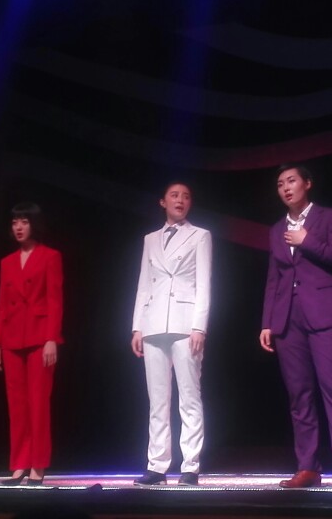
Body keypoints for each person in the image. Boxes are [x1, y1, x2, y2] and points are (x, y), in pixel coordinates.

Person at [259, 164, 332, 489]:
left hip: (325, 314)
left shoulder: (330, 218)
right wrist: (267, 321)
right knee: (299, 396)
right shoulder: (276, 229)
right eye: (280, 184)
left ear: (307, 183)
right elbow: (274, 277)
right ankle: (308, 468)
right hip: (288, 319)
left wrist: (307, 240)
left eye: (291, 181)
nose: (286, 188)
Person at [131, 182, 212, 486]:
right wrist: (137, 326)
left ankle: (190, 465)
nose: (181, 200)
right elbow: (144, 283)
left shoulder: (200, 235)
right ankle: (157, 466)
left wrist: (199, 326)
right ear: (162, 201)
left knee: (189, 397)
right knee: (158, 400)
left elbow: (204, 284)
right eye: (175, 195)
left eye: (186, 196)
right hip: (153, 323)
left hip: (185, 323)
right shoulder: (150, 239)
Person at [0, 202, 64, 486]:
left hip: (39, 337)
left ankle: (38, 465)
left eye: (24, 221)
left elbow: (55, 300)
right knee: (17, 405)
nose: (18, 227)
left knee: (38, 403)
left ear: (34, 224)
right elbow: (1, 304)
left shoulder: (50, 256)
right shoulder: (7, 262)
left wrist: (51, 339)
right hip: (11, 337)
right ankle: (19, 463)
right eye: (14, 222)